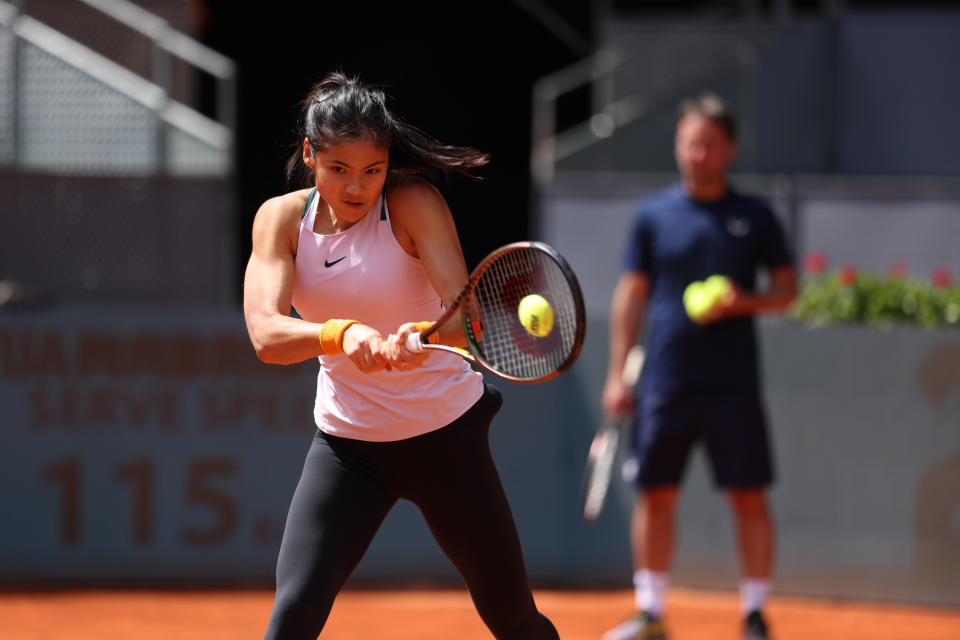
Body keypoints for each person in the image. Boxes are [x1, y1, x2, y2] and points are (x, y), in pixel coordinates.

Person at [242, 72, 560, 640]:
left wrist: (422, 334)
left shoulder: (413, 203)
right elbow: (266, 336)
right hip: (348, 450)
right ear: (310, 154)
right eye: (339, 169)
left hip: (446, 441)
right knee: (292, 614)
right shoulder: (281, 220)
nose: (357, 188)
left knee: (512, 619)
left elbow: (466, 322)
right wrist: (342, 334)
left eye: (373, 170)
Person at [601, 93, 797, 640]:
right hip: (665, 380)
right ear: (679, 146)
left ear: (728, 149)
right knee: (657, 494)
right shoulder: (653, 216)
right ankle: (650, 612)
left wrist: (745, 301)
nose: (698, 153)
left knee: (748, 496)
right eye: (690, 143)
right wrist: (618, 374)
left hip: (734, 384)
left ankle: (755, 613)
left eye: (709, 144)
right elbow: (631, 294)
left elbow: (787, 291)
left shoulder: (754, 217)